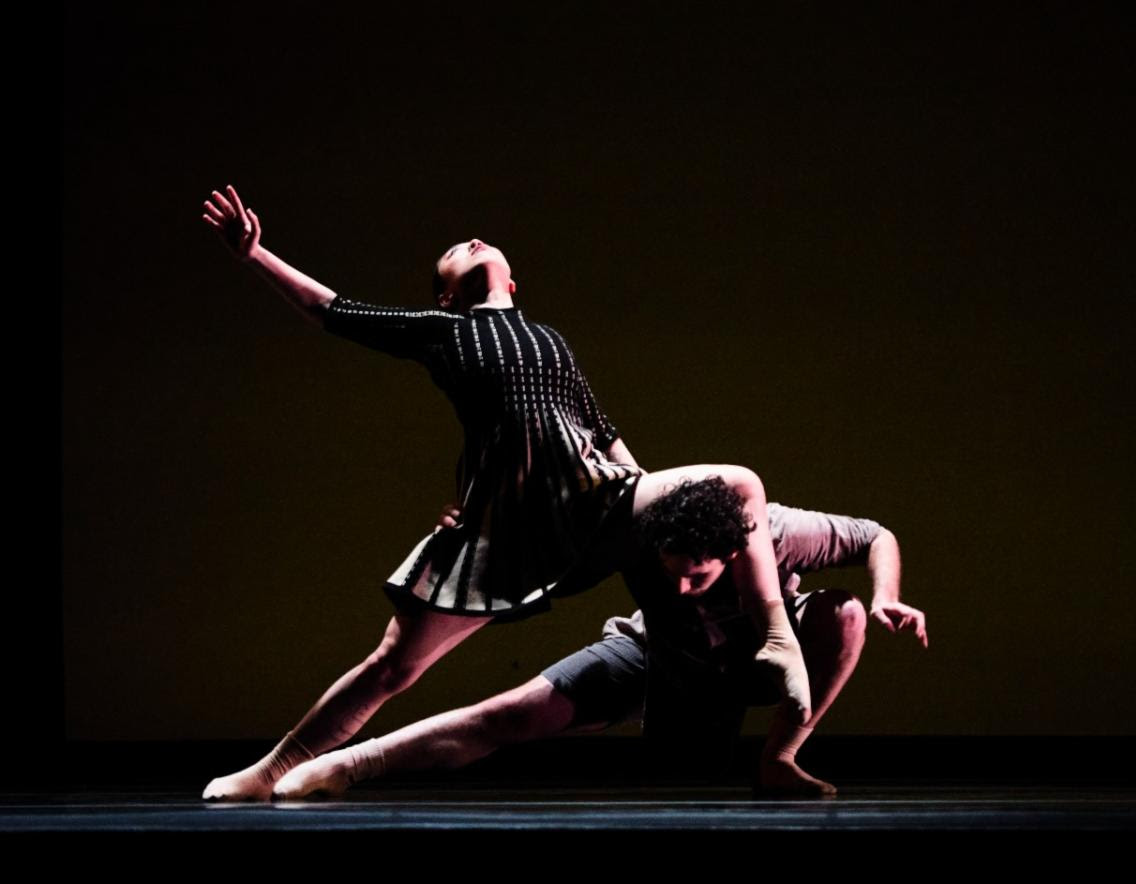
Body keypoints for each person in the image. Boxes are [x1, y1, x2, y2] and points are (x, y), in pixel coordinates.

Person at [199, 186, 813, 801]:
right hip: (511, 530)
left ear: (513, 282)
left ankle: (777, 641)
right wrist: (255, 255)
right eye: (452, 252)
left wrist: (653, 513)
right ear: (445, 293)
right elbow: (334, 309)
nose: (470, 240)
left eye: (479, 241)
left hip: (593, 502)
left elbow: (602, 431)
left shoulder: (550, 340)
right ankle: (273, 770)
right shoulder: (444, 330)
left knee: (737, 483)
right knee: (394, 664)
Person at [270, 478, 928, 799]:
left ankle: (778, 760)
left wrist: (887, 598)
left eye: (696, 579)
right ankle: (348, 764)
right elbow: (538, 526)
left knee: (841, 614)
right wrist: (471, 523)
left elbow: (877, 535)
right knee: (507, 715)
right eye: (670, 575)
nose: (680, 589)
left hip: (750, 665)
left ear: (733, 553)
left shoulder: (783, 532)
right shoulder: (634, 541)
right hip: (657, 658)